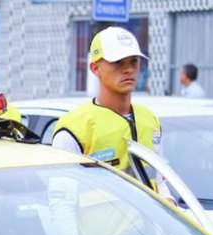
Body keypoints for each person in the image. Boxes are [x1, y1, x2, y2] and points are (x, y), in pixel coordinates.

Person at [51, 26, 162, 192]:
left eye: (134, 61)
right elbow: (62, 202)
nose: (129, 69)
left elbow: (159, 180)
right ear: (95, 68)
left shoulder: (150, 120)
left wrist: (169, 201)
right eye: (118, 62)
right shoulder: (74, 128)